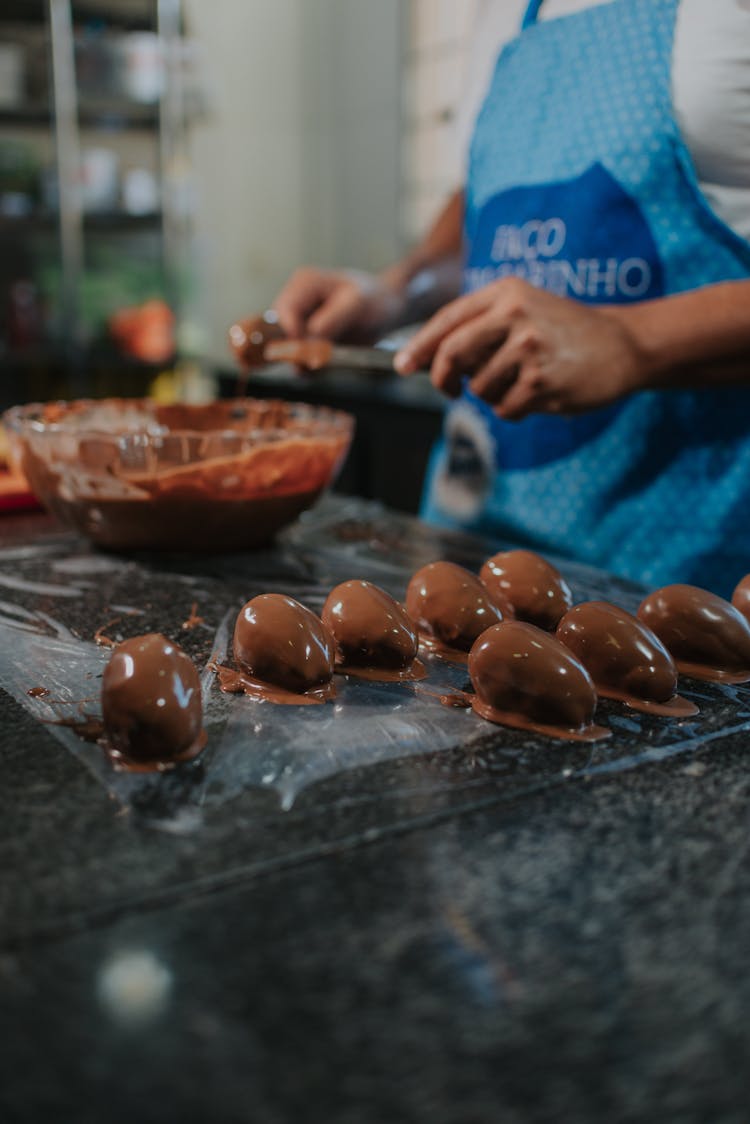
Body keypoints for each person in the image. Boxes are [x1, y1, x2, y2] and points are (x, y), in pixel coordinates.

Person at [271, 0, 750, 597]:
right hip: (470, 547)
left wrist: (632, 341)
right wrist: (396, 292)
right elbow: (483, 214)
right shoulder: (502, 18)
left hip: (680, 580)